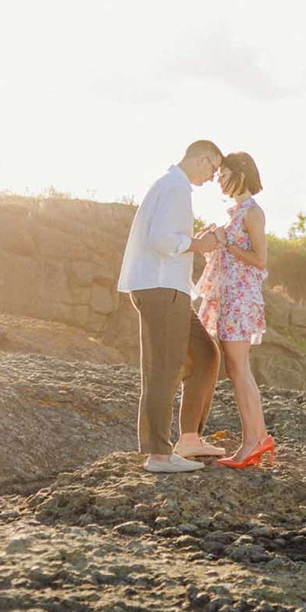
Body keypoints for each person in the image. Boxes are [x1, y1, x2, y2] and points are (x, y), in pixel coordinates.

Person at [116, 140, 226, 473]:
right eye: (213, 169)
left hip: (172, 288)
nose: (212, 178)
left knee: (206, 354)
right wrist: (200, 244)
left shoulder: (172, 187)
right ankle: (158, 455)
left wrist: (195, 241)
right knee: (164, 368)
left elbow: (166, 236)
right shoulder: (175, 187)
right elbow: (161, 240)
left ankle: (189, 439)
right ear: (202, 159)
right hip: (160, 287)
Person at [193, 151, 272, 468]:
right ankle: (259, 437)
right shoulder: (236, 211)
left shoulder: (253, 212)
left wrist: (227, 244)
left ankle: (253, 441)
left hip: (241, 300)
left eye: (224, 172)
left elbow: (261, 259)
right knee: (238, 370)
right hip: (229, 299)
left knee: (239, 370)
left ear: (240, 173)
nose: (219, 178)